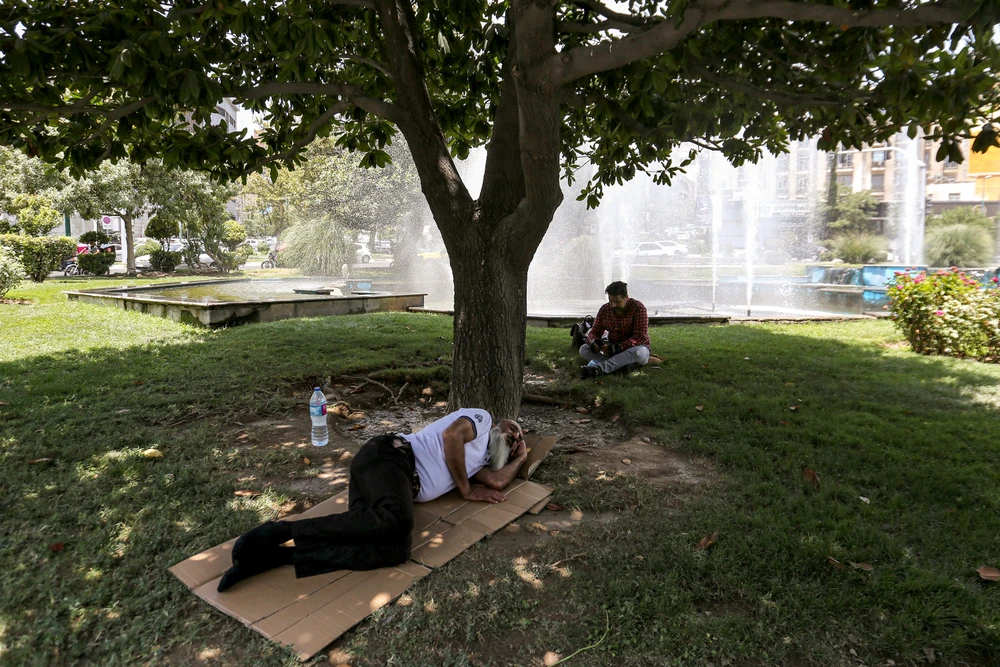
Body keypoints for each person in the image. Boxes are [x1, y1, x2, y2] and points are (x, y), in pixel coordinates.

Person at [217, 409, 527, 592]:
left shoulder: (479, 464)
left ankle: (272, 558)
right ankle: (278, 532)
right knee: (398, 520)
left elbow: (499, 482)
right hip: (389, 456)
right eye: (514, 429)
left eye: (516, 441)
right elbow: (450, 437)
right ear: (501, 422)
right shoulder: (481, 420)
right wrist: (466, 491)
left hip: (390, 482)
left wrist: (521, 457)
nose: (515, 436)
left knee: (394, 550)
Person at [579, 280, 650, 379]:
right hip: (611, 347)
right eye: (611, 301)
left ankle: (598, 369)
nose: (614, 305)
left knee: (638, 353)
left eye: (618, 302)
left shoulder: (638, 308)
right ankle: (622, 365)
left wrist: (619, 347)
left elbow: (640, 337)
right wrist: (594, 342)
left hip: (634, 348)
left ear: (626, 297)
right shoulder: (604, 309)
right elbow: (594, 332)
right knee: (584, 349)